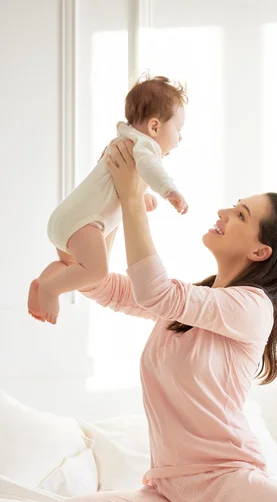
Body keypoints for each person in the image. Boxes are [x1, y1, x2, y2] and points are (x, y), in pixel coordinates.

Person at [46, 140, 277, 502]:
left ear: (259, 251)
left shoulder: (252, 308)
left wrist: (133, 200)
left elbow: (154, 291)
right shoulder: (192, 300)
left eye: (241, 215)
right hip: (170, 494)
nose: (224, 213)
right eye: (234, 205)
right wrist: (108, 208)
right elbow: (107, 286)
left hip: (227, 486)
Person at [28, 75, 187, 325]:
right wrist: (170, 191)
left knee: (70, 264)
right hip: (83, 225)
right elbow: (151, 169)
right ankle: (51, 290)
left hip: (69, 220)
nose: (180, 138)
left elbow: (115, 184)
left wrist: (142, 196)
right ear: (155, 127)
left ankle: (43, 283)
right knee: (97, 272)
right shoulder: (145, 146)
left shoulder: (124, 142)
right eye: (178, 130)